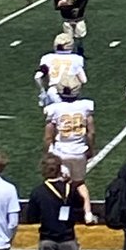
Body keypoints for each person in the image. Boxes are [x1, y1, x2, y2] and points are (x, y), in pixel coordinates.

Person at [44, 84, 96, 222]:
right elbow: (91, 132)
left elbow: (48, 136)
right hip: (79, 151)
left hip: (61, 152)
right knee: (79, 183)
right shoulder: (84, 106)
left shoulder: (54, 109)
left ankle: (60, 214)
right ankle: (88, 214)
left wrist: (47, 153)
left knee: (61, 184)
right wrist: (90, 149)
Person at [34, 31, 87, 109]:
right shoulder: (77, 58)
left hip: (52, 91)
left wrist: (42, 91)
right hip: (70, 92)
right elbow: (84, 80)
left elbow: (37, 77)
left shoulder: (47, 58)